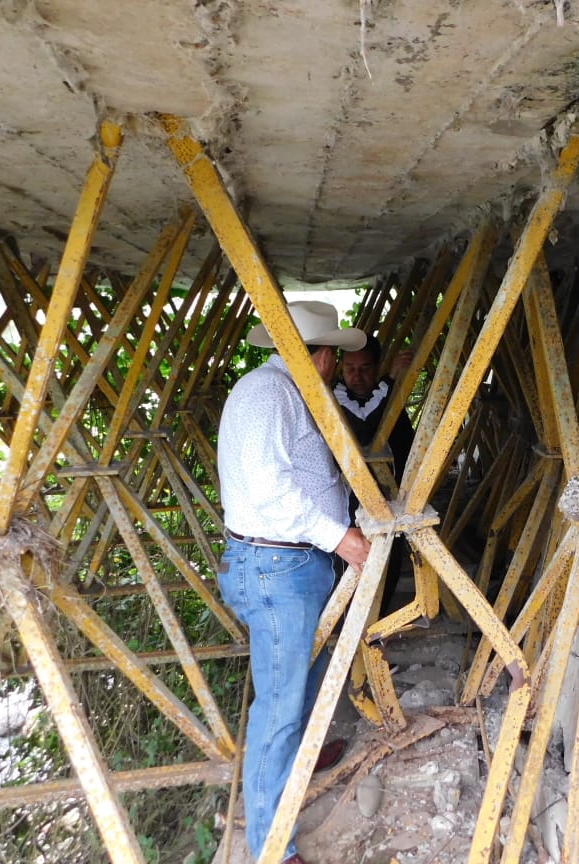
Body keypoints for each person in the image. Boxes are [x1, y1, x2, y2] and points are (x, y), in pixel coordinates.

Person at [216, 300, 371, 864]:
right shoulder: (270, 394)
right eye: (334, 357)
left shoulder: (276, 390)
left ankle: (298, 762)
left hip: (286, 564)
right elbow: (269, 491)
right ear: (323, 356)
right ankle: (272, 850)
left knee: (302, 678)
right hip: (278, 568)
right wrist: (339, 537)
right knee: (277, 712)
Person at [334, 335, 415, 615]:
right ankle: (352, 622)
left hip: (390, 498)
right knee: (354, 565)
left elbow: (406, 443)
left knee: (390, 558)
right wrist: (390, 381)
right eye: (350, 368)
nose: (356, 376)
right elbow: (364, 426)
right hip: (350, 502)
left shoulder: (384, 397)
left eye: (365, 368)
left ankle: (378, 620)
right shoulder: (336, 395)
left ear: (377, 366)